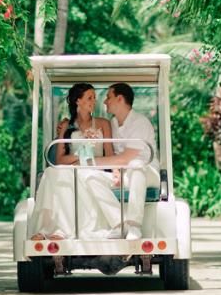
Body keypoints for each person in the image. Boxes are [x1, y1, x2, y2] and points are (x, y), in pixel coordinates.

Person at [28, 83, 114, 240]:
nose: (94, 101)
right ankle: (48, 228)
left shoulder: (103, 123)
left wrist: (90, 161)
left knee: (75, 175)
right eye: (89, 97)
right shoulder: (67, 125)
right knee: (52, 171)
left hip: (96, 171)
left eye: (94, 98)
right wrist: (80, 156)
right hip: (73, 168)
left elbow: (110, 156)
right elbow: (60, 159)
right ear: (78, 101)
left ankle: (64, 231)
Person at [80, 83, 160, 240]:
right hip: (125, 175)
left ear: (120, 99)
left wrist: (91, 162)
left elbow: (125, 158)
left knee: (136, 165)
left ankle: (134, 226)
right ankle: (119, 224)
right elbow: (115, 156)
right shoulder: (114, 123)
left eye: (108, 97)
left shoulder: (140, 122)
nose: (105, 102)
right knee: (90, 176)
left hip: (147, 174)